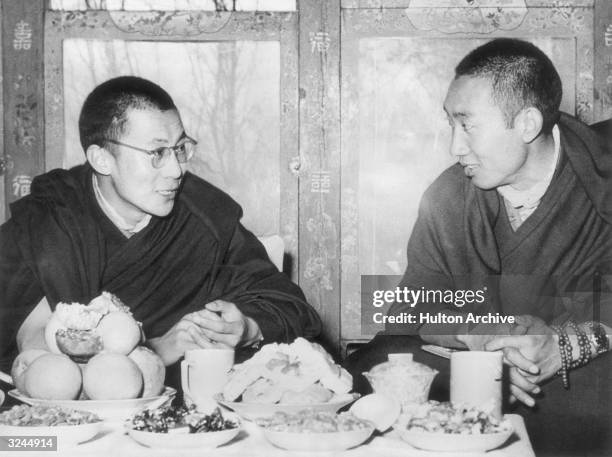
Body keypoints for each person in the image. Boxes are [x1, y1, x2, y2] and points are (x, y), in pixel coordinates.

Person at [346, 38, 612, 456]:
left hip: (580, 364)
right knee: (376, 364)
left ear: (526, 124)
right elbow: (410, 310)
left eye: (467, 125)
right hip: (479, 362)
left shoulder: (604, 175)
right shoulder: (449, 195)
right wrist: (478, 336)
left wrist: (563, 346)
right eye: (450, 124)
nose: (455, 147)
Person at [0, 76, 321, 387]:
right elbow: (35, 358)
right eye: (157, 153)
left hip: (173, 404)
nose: (177, 169)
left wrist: (247, 327)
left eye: (180, 148)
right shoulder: (48, 218)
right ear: (102, 158)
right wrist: (157, 349)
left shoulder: (205, 217)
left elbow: (288, 304)